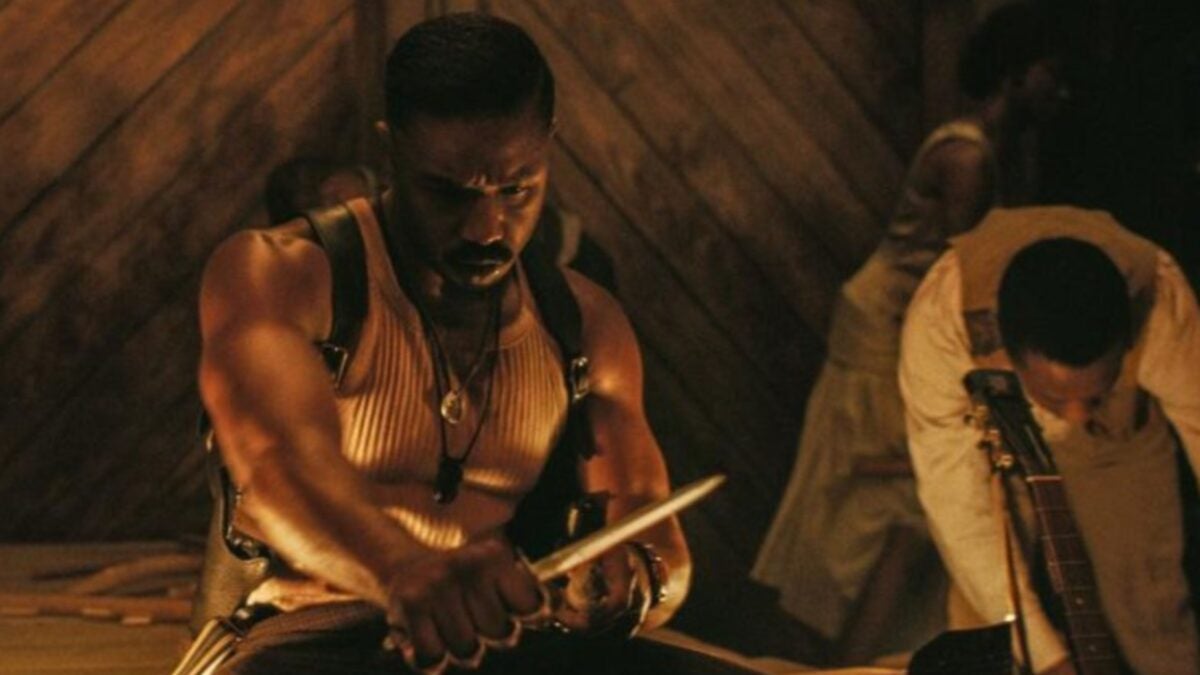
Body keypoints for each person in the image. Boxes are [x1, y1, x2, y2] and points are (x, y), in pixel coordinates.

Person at [195, 13, 742, 674]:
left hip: (497, 645)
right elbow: (276, 458)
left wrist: (632, 586)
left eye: (517, 189)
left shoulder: (584, 322)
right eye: (448, 193)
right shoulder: (283, 273)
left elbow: (654, 531)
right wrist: (401, 569)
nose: (486, 228)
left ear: (548, 144)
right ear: (392, 151)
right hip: (310, 635)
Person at [752, 0, 1069, 662]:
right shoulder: (966, 159)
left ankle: (848, 657)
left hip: (901, 331)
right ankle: (825, 658)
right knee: (861, 509)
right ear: (1016, 72)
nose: (1060, 90)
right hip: (882, 338)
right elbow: (960, 281)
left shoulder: (993, 154)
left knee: (900, 510)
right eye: (1051, 71)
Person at [899, 205, 1200, 674]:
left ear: (1125, 343)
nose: (1076, 413)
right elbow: (955, 501)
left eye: (1093, 394)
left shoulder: (1160, 300)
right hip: (996, 446)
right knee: (994, 631)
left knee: (1150, 614)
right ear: (1012, 356)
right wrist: (1047, 659)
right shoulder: (943, 318)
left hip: (1119, 440)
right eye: (1058, 397)